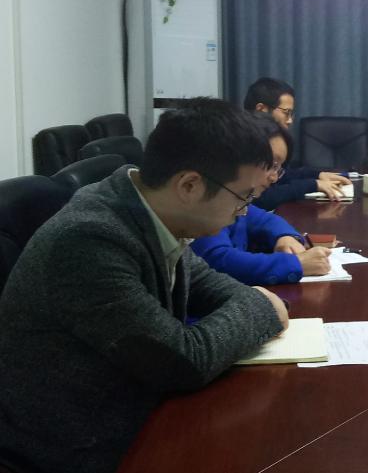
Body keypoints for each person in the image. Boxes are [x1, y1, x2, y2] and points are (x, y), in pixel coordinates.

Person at [0, 99, 289, 473]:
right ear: (189, 185)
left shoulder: (151, 209)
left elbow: (207, 283)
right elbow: (182, 361)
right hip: (74, 449)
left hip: (133, 412)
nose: (245, 210)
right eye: (243, 196)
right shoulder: (89, 239)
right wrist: (261, 306)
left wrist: (252, 301)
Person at [191, 113, 332, 285]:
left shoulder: (239, 198)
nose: (274, 177)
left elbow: (262, 218)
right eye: (271, 165)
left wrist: (285, 236)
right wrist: (296, 264)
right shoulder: (211, 199)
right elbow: (217, 260)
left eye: (278, 168)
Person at [243, 77, 351, 207]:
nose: (290, 121)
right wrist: (312, 185)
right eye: (286, 113)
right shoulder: (243, 142)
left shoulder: (268, 139)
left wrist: (318, 175)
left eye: (291, 114)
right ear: (261, 109)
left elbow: (283, 176)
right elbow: (260, 198)